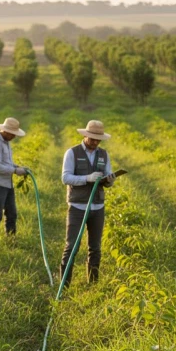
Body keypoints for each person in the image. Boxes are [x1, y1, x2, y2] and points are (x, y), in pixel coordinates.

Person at [60, 120, 116, 286]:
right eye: (92, 139)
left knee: (95, 247)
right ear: (85, 135)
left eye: (98, 140)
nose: (95, 142)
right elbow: (65, 178)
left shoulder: (104, 155)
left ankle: (93, 284)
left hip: (98, 206)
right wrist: (87, 178)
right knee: (72, 246)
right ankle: (64, 285)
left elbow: (107, 175)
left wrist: (109, 181)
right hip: (77, 206)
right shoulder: (72, 153)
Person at [0, 117, 27, 234]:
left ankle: (11, 238)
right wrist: (15, 171)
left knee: (12, 213)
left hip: (7, 183)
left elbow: (6, 162)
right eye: (13, 134)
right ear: (6, 131)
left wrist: (17, 167)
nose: (14, 137)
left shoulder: (5, 142)